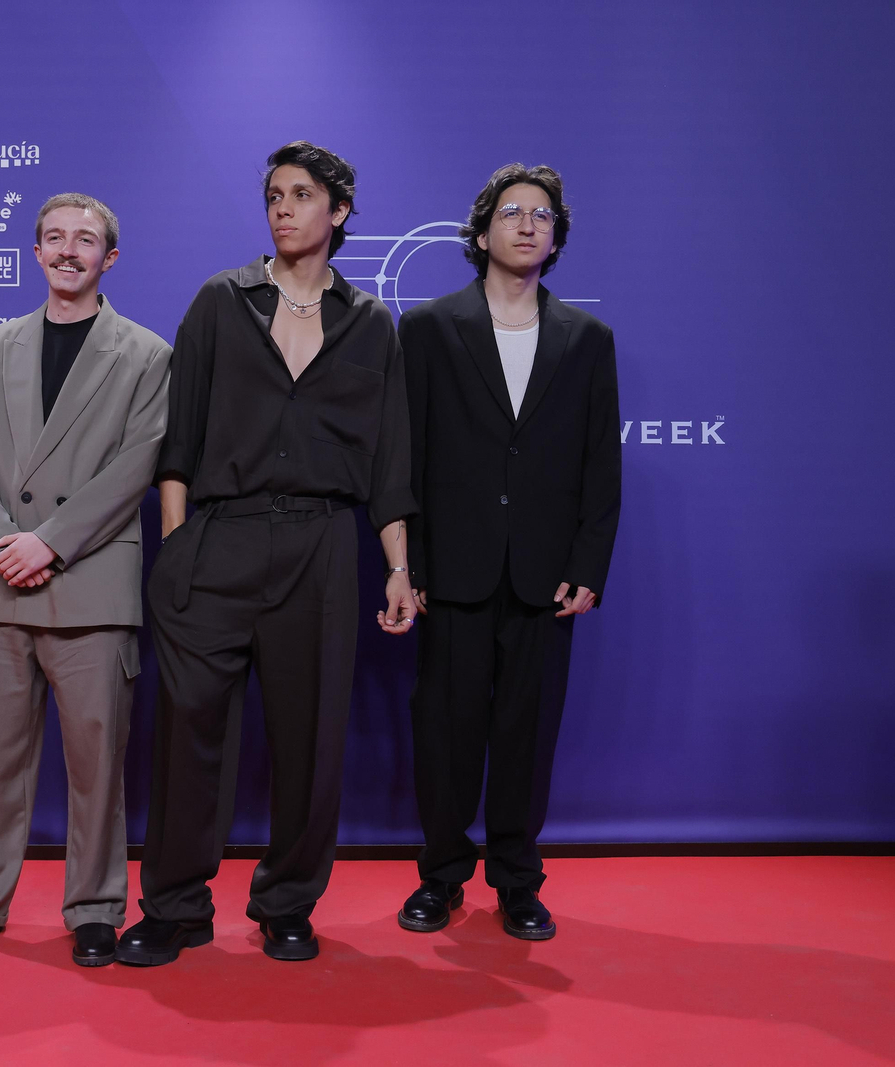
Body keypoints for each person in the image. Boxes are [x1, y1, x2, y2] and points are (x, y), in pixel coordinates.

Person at [116, 142, 416, 966]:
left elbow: (390, 462)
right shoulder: (220, 301)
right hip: (217, 539)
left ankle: (288, 902)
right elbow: (178, 441)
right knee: (188, 732)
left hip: (322, 544)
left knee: (311, 736)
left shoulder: (371, 323)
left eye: (303, 194)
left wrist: (397, 565)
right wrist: (177, 552)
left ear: (340, 211)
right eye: (274, 195)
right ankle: (175, 905)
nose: (284, 208)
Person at [0, 193, 171, 967]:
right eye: (54, 237)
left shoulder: (148, 354)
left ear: (109, 258)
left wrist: (51, 543)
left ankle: (93, 907)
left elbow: (138, 464)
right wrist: (3, 545)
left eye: (84, 239)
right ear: (35, 252)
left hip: (89, 584)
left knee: (98, 764)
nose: (68, 250)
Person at [398, 164, 620, 941]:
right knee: (447, 733)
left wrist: (588, 565)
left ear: (556, 236)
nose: (528, 224)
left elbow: (601, 464)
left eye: (544, 215)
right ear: (483, 229)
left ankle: (518, 881)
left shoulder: (587, 339)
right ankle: (441, 876)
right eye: (512, 211)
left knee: (528, 736)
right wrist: (412, 566)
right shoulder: (428, 328)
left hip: (544, 575)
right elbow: (409, 456)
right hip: (451, 571)